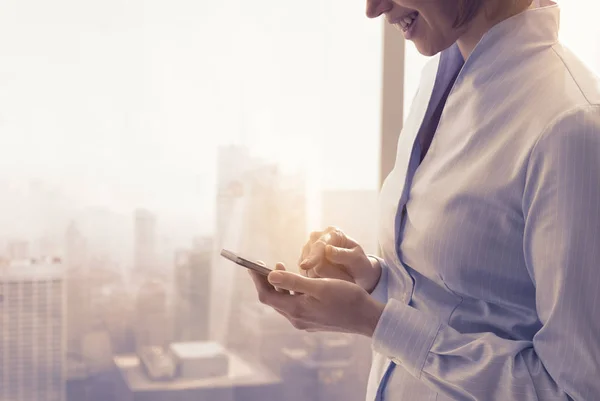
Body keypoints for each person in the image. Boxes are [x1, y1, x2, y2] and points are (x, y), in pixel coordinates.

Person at [248, 0, 600, 399]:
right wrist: (375, 281)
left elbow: (575, 392)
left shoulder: (571, 127)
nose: (373, 8)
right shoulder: (439, 76)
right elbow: (466, 301)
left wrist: (378, 323)